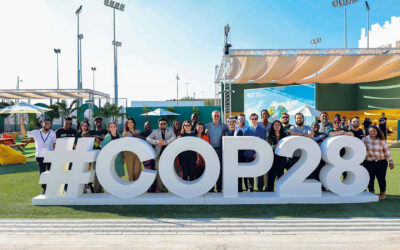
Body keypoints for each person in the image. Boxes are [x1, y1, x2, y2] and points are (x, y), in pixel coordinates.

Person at [20, 117, 56, 195]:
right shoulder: (36, 132)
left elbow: (54, 145)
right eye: (45, 123)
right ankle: (44, 189)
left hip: (50, 155)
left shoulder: (52, 133)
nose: (47, 125)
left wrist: (55, 155)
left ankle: (52, 188)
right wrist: (22, 122)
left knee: (51, 172)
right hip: (40, 156)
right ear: (42, 124)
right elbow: (24, 133)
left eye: (49, 124)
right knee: (42, 173)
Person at [363, 126, 394, 200]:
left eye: (374, 131)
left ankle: (382, 193)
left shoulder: (381, 140)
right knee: (370, 178)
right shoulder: (364, 139)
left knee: (381, 178)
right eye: (370, 131)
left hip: (381, 163)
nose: (372, 132)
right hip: (369, 162)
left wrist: (390, 162)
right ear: (368, 132)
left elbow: (387, 151)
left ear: (377, 132)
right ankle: (371, 192)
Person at [147, 118, 176, 192]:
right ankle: (160, 189)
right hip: (158, 156)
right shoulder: (155, 131)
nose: (162, 125)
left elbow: (174, 137)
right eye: (161, 123)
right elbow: (148, 139)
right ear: (158, 124)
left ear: (166, 124)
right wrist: (156, 142)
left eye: (164, 123)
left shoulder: (170, 131)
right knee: (159, 173)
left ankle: (165, 188)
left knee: (167, 172)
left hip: (168, 156)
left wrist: (165, 142)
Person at [205, 110, 228, 192]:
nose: (216, 117)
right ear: (212, 116)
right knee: (210, 169)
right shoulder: (207, 126)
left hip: (220, 150)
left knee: (220, 169)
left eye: (218, 116)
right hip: (210, 150)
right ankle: (210, 188)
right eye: (215, 115)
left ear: (220, 116)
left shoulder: (224, 126)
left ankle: (219, 187)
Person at [244, 113, 266, 192]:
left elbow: (262, 142)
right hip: (249, 153)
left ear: (257, 119)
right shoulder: (246, 130)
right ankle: (251, 188)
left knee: (260, 172)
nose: (254, 120)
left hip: (259, 154)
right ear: (250, 120)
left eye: (255, 119)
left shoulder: (262, 129)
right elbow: (246, 143)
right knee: (249, 172)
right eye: (252, 119)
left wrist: (257, 152)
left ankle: (260, 188)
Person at [84, 117, 108, 193]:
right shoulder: (92, 131)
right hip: (95, 155)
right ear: (94, 123)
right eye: (96, 121)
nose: (98, 122)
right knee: (96, 172)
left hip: (104, 154)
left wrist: (101, 138)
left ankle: (101, 189)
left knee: (102, 172)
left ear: (102, 122)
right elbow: (84, 134)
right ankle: (97, 189)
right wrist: (96, 137)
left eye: (99, 121)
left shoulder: (105, 131)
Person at [266, 120, 288, 192]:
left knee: (280, 175)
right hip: (272, 158)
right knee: (271, 175)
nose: (277, 126)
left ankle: (281, 191)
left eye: (278, 124)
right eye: (275, 125)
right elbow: (268, 147)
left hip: (281, 158)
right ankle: (270, 190)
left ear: (281, 126)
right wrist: (274, 147)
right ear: (273, 126)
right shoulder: (270, 135)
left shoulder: (285, 135)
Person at [226, 116, 244, 192]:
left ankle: (239, 189)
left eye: (233, 122)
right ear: (228, 123)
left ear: (236, 122)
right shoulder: (226, 132)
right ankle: (231, 188)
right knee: (230, 172)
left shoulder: (239, 131)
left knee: (238, 172)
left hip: (238, 155)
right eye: (230, 122)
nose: (232, 124)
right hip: (229, 155)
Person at [138, 121, 157, 192]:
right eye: (146, 125)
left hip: (155, 156)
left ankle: (155, 188)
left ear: (151, 126)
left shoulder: (154, 134)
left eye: (149, 125)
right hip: (146, 157)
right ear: (144, 127)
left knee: (155, 171)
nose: (148, 126)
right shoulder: (141, 134)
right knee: (149, 172)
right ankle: (149, 188)